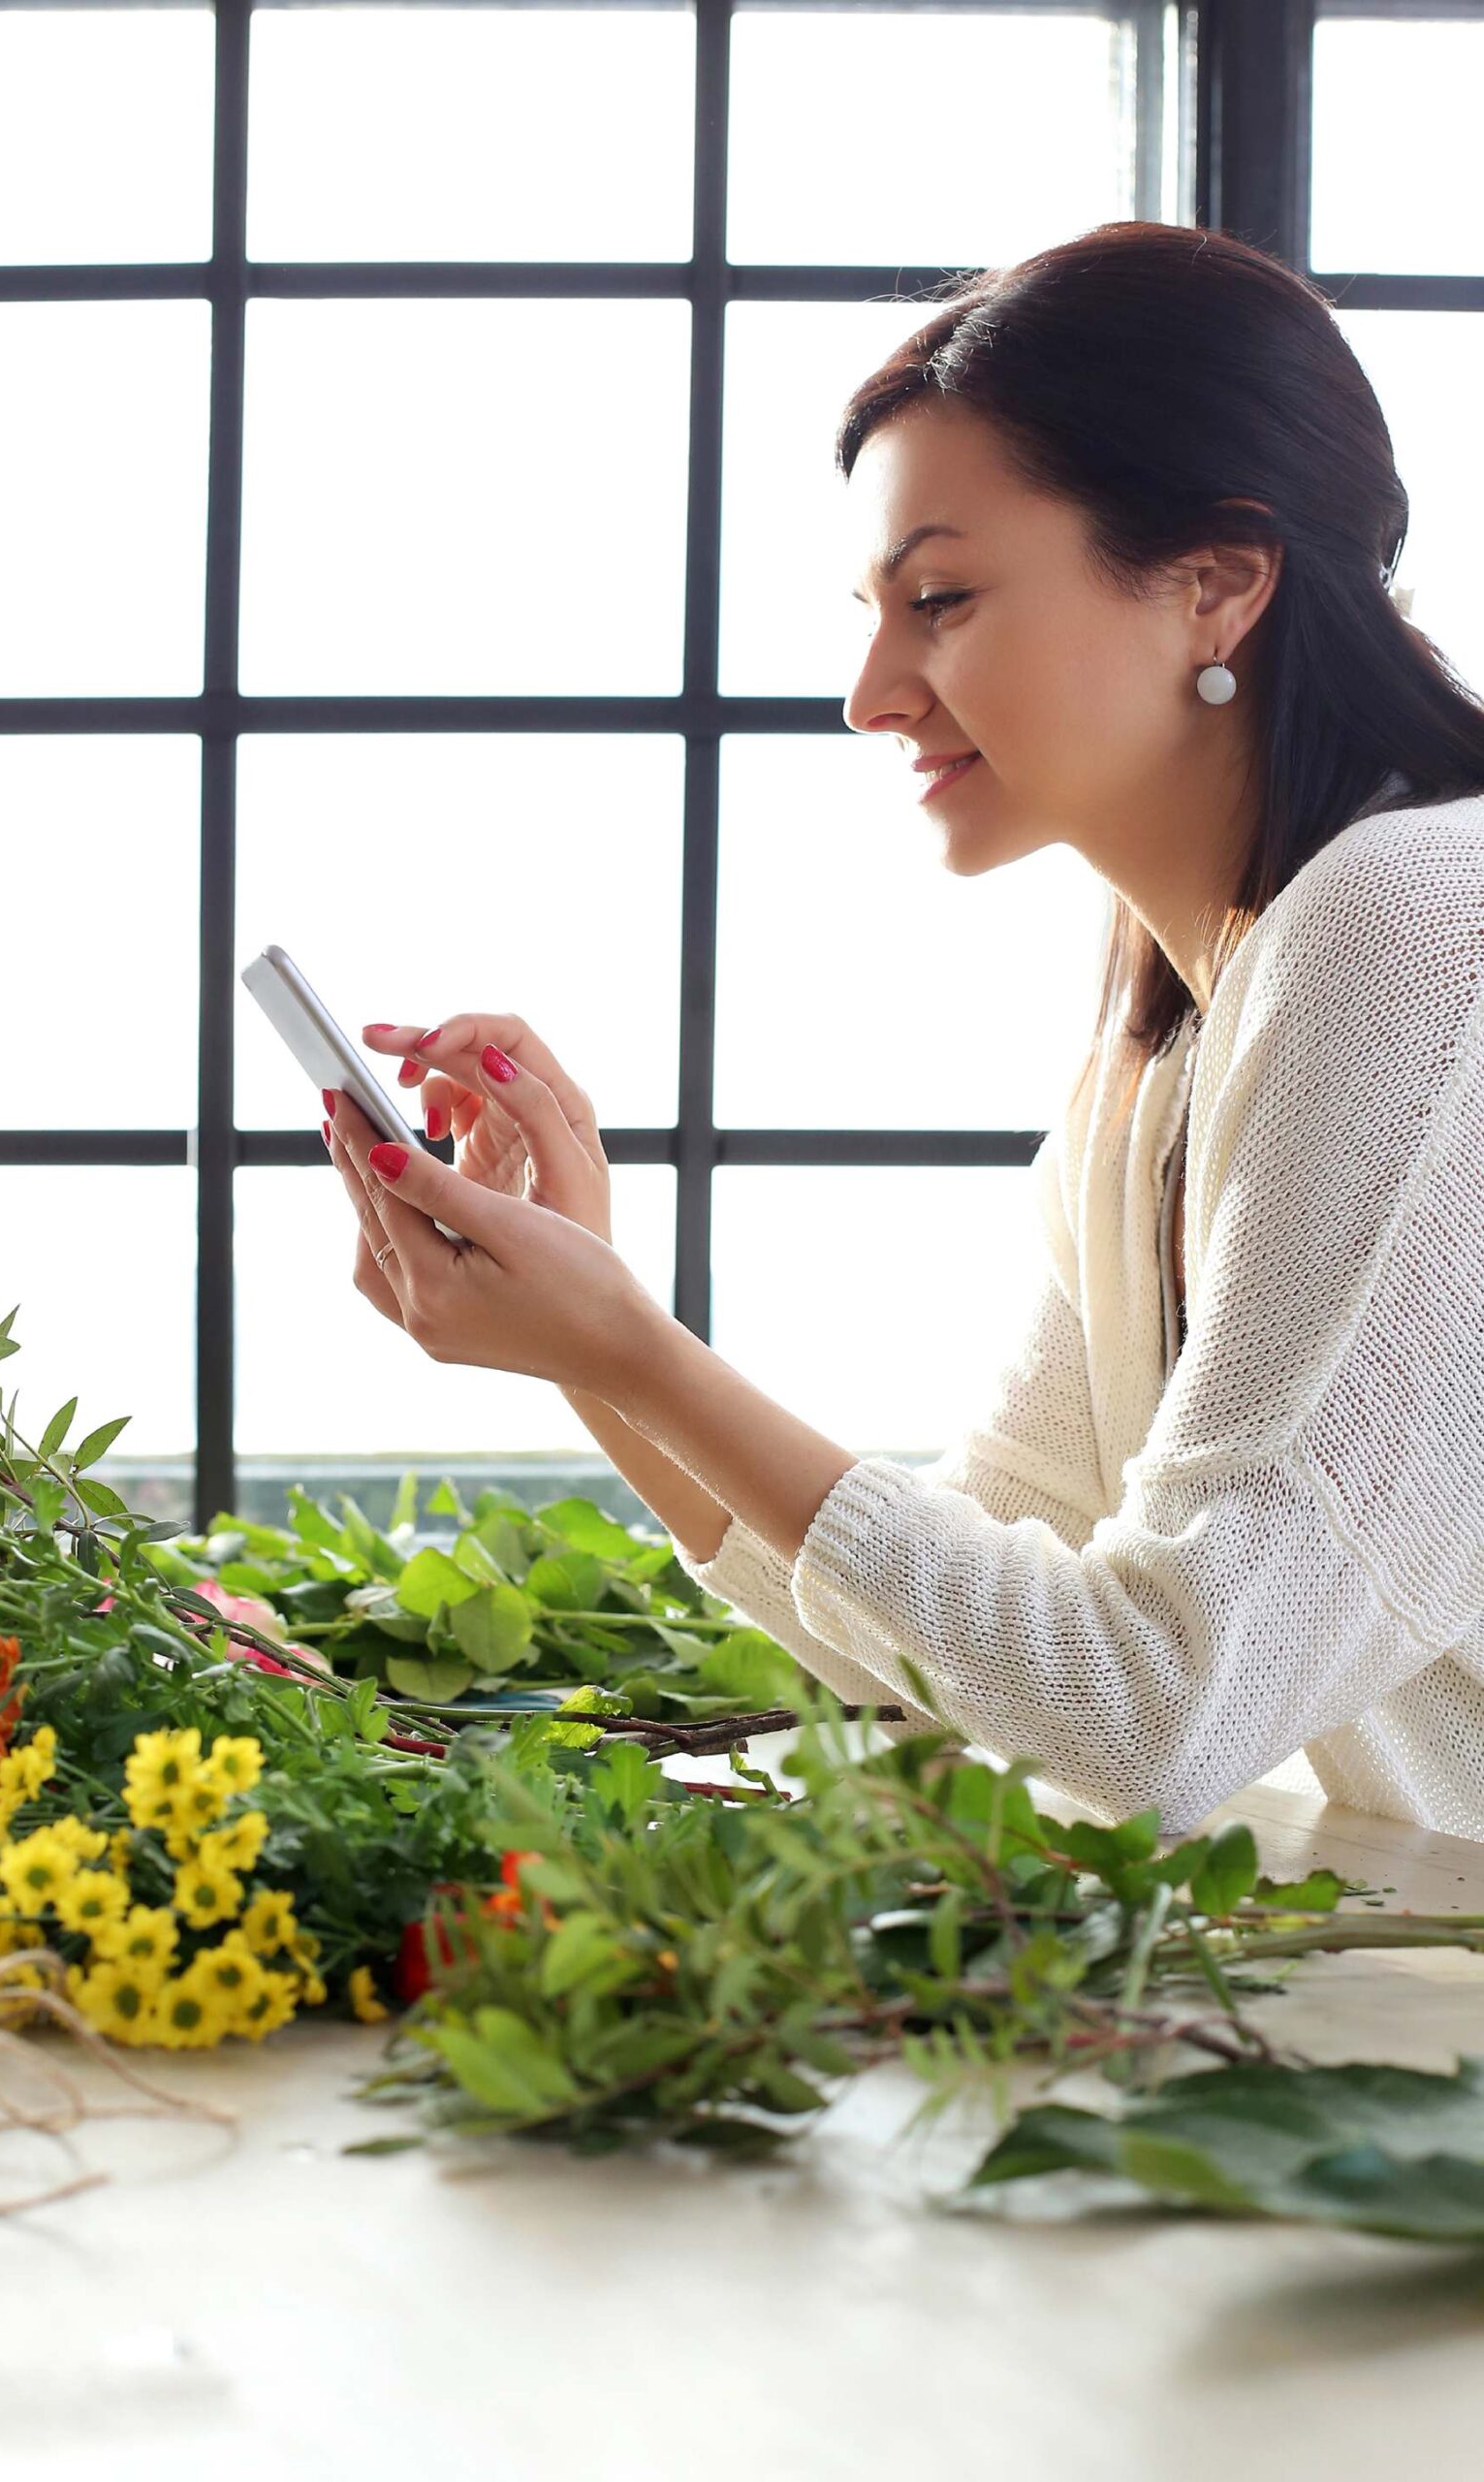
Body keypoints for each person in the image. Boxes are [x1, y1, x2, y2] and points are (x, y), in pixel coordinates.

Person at [341, 220, 1484, 1841]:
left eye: (939, 599)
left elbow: (1154, 1701)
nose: (870, 692)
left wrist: (630, 1347)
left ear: (1217, 584)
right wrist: (586, 1337)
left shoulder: (1424, 927)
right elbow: (948, 1658)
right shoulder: (1146, 1065)